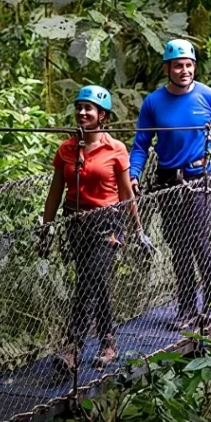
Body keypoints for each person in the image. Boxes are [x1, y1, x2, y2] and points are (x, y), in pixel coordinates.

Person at [129, 39, 211, 329]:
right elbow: (140, 144)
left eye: (189, 65)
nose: (184, 70)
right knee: (179, 248)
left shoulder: (209, 96)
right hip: (167, 181)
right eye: (178, 65)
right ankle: (187, 309)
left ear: (194, 67)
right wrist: (134, 173)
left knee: (200, 244)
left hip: (198, 180)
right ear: (167, 68)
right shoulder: (153, 103)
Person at [40, 85, 143, 373]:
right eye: (80, 107)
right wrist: (46, 230)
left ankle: (72, 347)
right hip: (76, 224)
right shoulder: (67, 149)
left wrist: (137, 228)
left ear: (102, 116)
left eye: (89, 109)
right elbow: (55, 193)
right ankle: (109, 343)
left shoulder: (116, 149)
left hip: (107, 224)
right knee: (94, 283)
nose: (83, 112)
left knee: (88, 280)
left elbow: (126, 193)